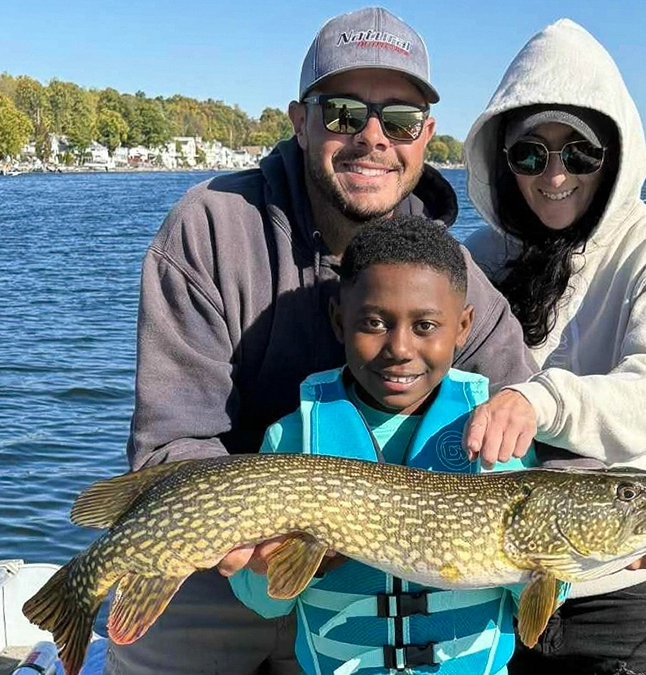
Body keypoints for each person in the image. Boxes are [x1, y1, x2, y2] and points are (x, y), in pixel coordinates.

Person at [108, 7, 536, 675]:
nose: (372, 138)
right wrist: (249, 536)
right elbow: (171, 443)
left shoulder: (446, 273)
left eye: (397, 121)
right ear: (299, 121)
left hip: (379, 566)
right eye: (342, 113)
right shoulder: (209, 230)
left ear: (425, 137)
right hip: (226, 558)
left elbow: (524, 406)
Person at [461, 19, 646, 675]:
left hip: (630, 585)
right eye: (528, 154)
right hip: (500, 582)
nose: (554, 176)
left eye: (579, 152)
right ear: (499, 159)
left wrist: (538, 400)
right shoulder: (477, 260)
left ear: (615, 154)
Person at [230, 216, 547, 675]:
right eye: (375, 322)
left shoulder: (497, 436)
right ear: (340, 321)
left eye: (425, 326)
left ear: (463, 327)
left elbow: (542, 597)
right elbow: (264, 603)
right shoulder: (292, 439)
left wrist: (543, 567)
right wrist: (268, 567)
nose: (399, 348)